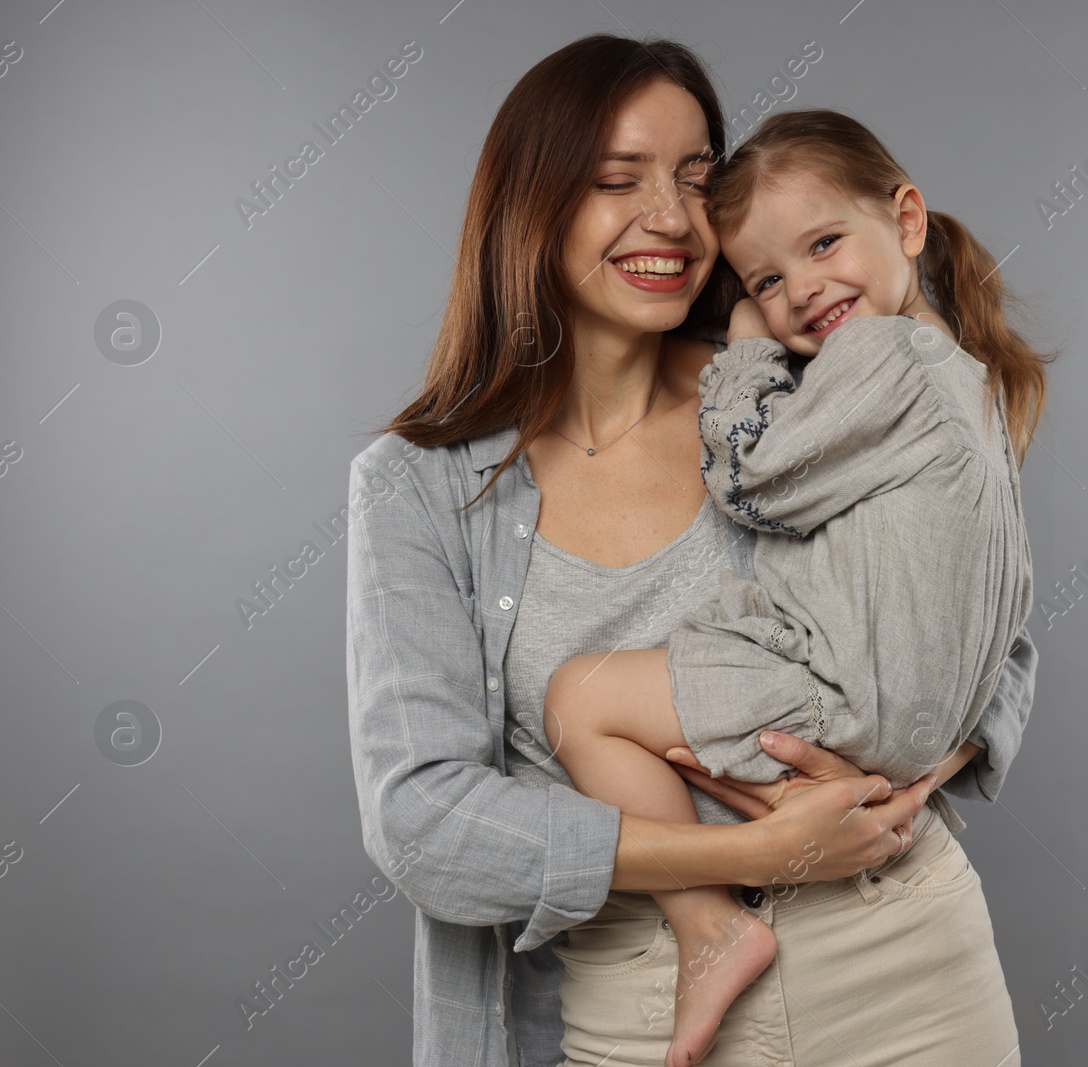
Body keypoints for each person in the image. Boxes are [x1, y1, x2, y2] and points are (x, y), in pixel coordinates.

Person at [344, 33, 1046, 1067]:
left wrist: (906, 769)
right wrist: (749, 852)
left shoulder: (790, 379)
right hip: (643, 1003)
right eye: (616, 180)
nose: (670, 219)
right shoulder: (419, 485)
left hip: (902, 959)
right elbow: (421, 821)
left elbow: (994, 625)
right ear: (531, 206)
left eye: (693, 177)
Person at [541, 107, 1042, 1067]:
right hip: (908, 741)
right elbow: (1003, 605)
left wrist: (744, 341)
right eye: (767, 280)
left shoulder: (872, 358)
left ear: (906, 219)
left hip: (835, 709)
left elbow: (748, 476)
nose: (803, 291)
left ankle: (710, 927)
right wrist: (939, 747)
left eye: (823, 245)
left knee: (581, 697)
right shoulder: (975, 385)